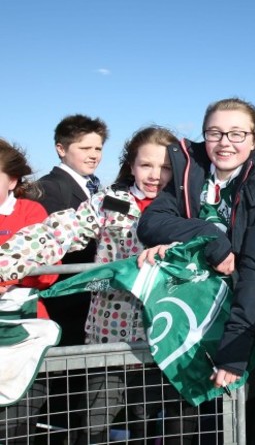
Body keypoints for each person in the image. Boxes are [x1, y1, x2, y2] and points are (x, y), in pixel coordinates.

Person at [0, 126, 188, 443]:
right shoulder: (109, 203)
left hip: (165, 339)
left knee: (154, 426)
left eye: (165, 167)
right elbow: (55, 232)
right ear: (131, 166)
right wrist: (6, 261)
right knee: (93, 427)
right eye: (146, 165)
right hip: (109, 337)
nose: (155, 175)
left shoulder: (187, 207)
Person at [137, 98, 255, 441]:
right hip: (189, 320)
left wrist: (235, 349)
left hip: (240, 319)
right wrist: (207, 235)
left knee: (238, 419)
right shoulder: (188, 172)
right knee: (185, 420)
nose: (225, 142)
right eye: (215, 132)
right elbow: (151, 222)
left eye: (237, 133)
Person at [0, 138, 57, 445]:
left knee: (16, 424)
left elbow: (48, 271)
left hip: (23, 330)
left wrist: (8, 276)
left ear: (12, 179)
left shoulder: (30, 212)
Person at [37, 114, 109, 346]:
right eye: (85, 147)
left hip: (93, 294)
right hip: (67, 298)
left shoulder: (97, 187)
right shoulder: (49, 188)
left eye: (98, 148)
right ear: (61, 148)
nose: (94, 155)